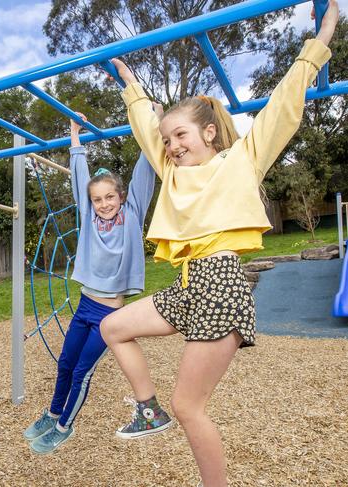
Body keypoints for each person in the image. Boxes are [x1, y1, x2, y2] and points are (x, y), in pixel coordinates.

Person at [103, 3, 338, 486]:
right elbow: (147, 126)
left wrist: (322, 38)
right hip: (187, 286)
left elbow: (284, 106)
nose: (171, 145)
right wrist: (131, 87)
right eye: (168, 139)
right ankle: (147, 411)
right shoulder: (169, 169)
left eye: (181, 134)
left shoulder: (241, 161)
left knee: (189, 406)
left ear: (209, 132)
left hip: (220, 284)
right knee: (113, 326)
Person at [23, 113, 156, 454]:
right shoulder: (90, 218)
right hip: (85, 305)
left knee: (81, 371)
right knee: (65, 363)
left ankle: (64, 426)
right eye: (98, 200)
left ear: (120, 195)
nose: (104, 204)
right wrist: (74, 135)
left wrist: (148, 120)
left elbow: (146, 167)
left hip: (108, 315)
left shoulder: (132, 213)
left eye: (110, 197)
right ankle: (52, 413)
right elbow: (79, 176)